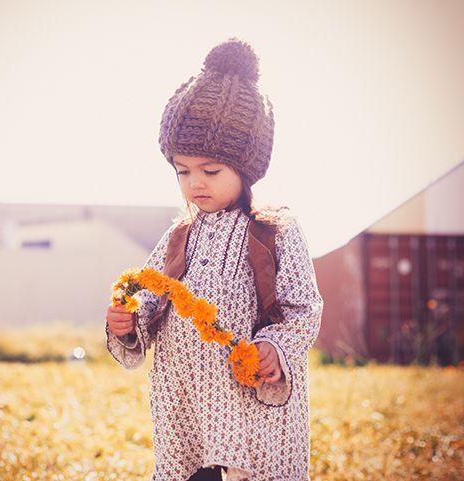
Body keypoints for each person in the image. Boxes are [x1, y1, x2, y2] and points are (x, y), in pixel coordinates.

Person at [105, 38, 324, 481]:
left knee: (247, 471)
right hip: (185, 404)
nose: (193, 184)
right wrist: (129, 325)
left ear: (245, 168)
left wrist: (275, 347)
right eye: (181, 171)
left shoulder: (274, 230)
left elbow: (303, 307)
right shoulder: (178, 234)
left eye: (210, 171)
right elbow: (153, 301)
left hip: (245, 404)